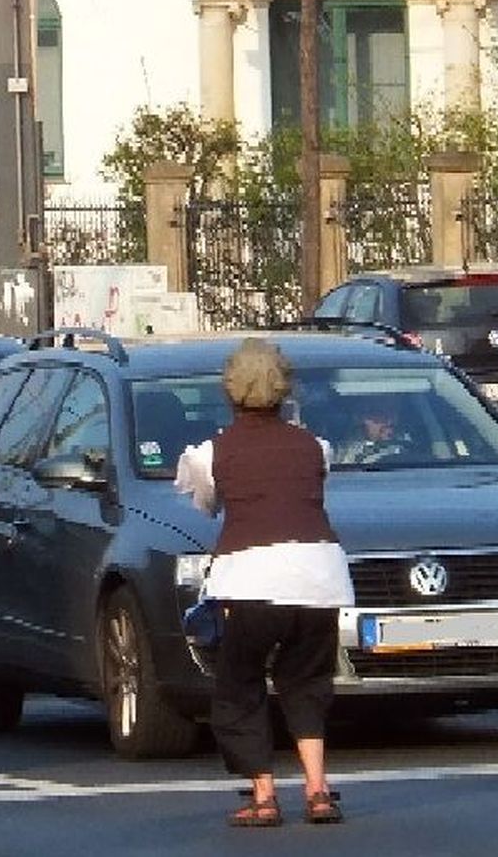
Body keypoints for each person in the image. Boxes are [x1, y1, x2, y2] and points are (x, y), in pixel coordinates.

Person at [176, 337, 354, 828]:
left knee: (240, 684)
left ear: (230, 391)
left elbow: (206, 502)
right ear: (284, 390)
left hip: (251, 579)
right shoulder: (316, 447)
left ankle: (263, 796)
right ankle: (318, 791)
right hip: (321, 575)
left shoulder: (210, 453)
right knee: (307, 681)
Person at [336, 395, 412, 465]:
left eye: (393, 413)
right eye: (380, 415)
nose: (390, 421)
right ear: (362, 418)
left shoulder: (409, 445)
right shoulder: (344, 449)